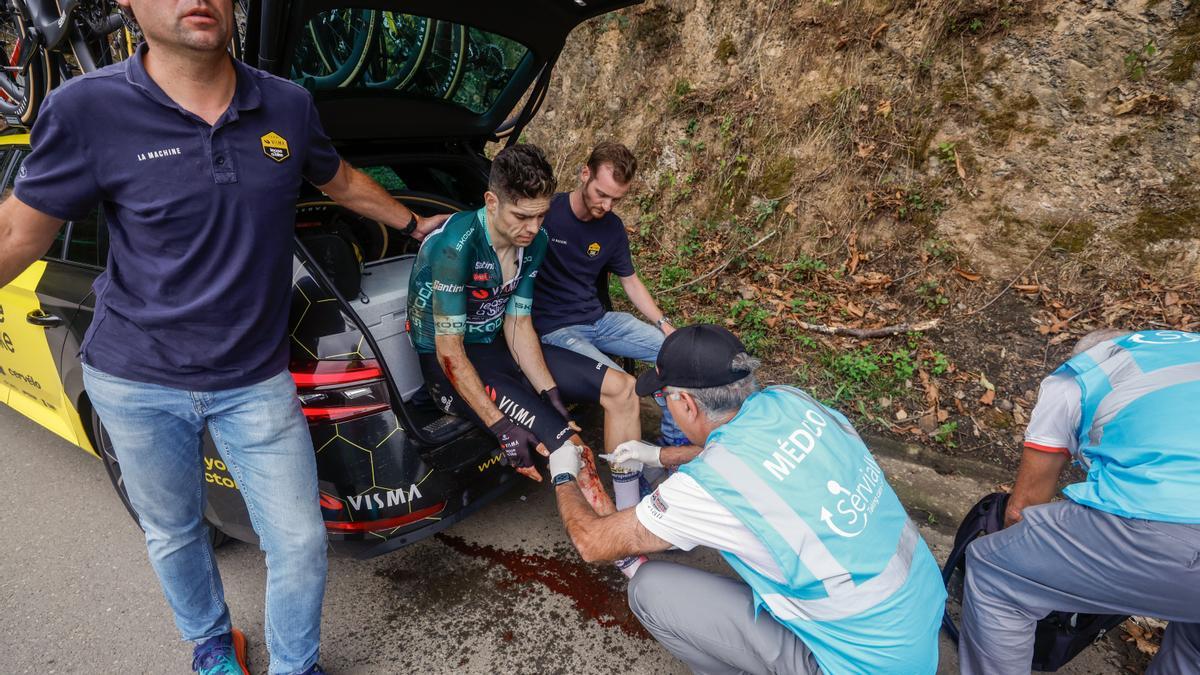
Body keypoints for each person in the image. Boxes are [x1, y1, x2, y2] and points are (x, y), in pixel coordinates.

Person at [0, 0, 450, 671]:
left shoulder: (287, 106)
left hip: (254, 382)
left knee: (298, 540)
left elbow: (342, 180)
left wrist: (415, 227)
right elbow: (16, 233)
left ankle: (295, 664)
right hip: (135, 380)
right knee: (176, 533)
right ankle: (212, 642)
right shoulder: (87, 109)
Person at [546, 325, 947, 674]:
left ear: (685, 403)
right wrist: (660, 455)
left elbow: (593, 543)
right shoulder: (792, 402)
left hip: (856, 665)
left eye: (665, 397)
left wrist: (563, 474)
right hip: (920, 619)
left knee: (650, 588)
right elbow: (753, 460)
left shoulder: (706, 488)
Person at [959, 328, 1200, 675]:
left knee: (995, 572)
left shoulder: (1078, 378)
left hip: (1163, 516)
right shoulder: (1181, 350)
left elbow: (1020, 509)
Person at [407, 143, 640, 481]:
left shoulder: (534, 241)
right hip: (451, 363)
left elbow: (517, 323)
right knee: (572, 450)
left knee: (624, 387)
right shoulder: (455, 249)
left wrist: (550, 392)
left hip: (498, 346)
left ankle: (632, 508)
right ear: (492, 202)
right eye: (521, 216)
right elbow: (449, 351)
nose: (533, 228)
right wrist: (501, 427)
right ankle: (612, 529)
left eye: (541, 215)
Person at [532, 141, 688, 448]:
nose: (606, 206)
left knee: (678, 356)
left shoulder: (612, 228)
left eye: (616, 199)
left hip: (598, 321)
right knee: (624, 388)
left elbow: (630, 282)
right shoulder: (546, 213)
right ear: (584, 174)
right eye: (601, 194)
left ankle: (673, 448)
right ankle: (627, 482)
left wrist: (664, 324)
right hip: (557, 330)